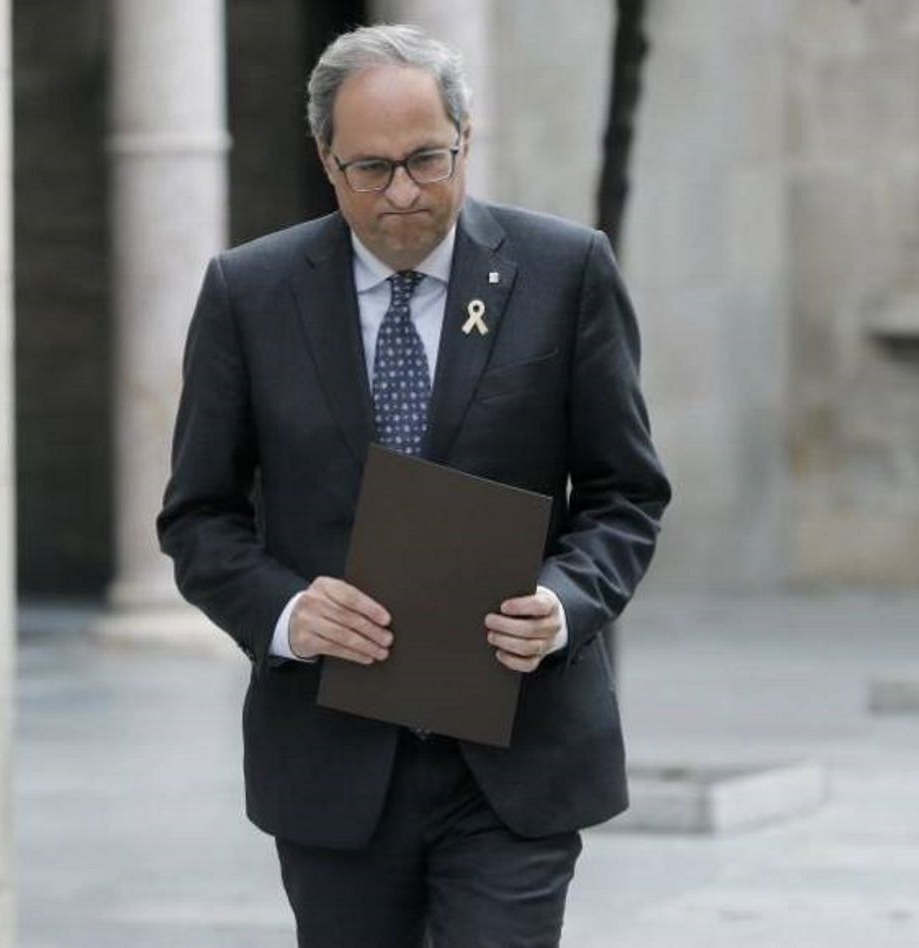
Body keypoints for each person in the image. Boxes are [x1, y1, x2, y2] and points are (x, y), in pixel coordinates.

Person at [156, 23, 670, 948]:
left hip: (518, 753)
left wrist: (565, 602)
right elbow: (199, 516)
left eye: (427, 160)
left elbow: (626, 492)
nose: (402, 194)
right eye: (371, 169)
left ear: (465, 139)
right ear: (326, 161)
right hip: (332, 759)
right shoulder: (250, 293)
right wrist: (286, 614)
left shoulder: (566, 272)